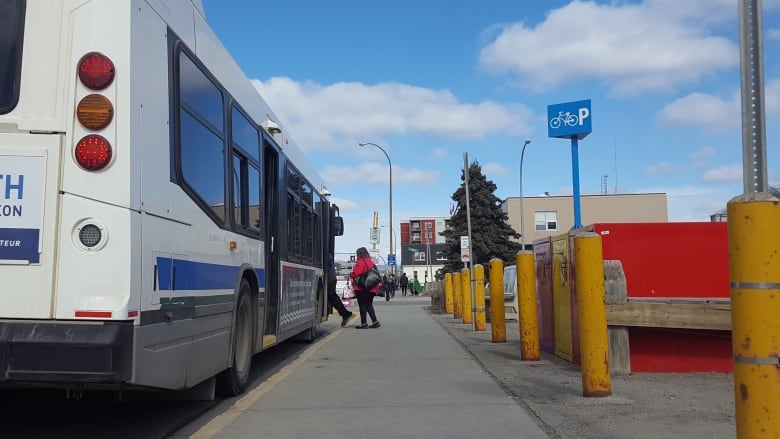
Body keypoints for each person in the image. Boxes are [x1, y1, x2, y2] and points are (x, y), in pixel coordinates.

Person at [349, 247, 381, 328]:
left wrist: (351, 274)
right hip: (372, 287)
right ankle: (375, 321)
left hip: (362, 288)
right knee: (369, 305)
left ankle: (364, 323)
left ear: (359, 254)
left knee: (362, 305)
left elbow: (356, 273)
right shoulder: (371, 262)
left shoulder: (360, 262)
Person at [326, 254, 354, 327]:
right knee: (332, 298)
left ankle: (346, 314)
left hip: (329, 278)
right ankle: (345, 314)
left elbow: (328, 261)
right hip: (330, 277)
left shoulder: (324, 253)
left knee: (332, 297)